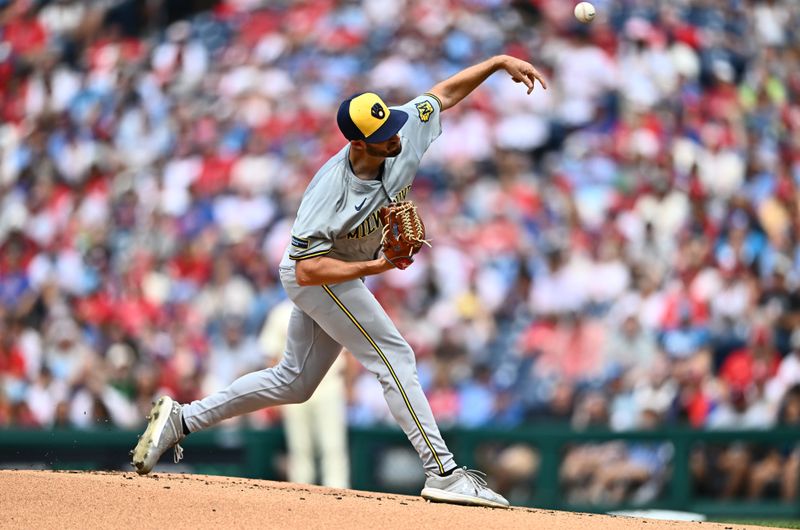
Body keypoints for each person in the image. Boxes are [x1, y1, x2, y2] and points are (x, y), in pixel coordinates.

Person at [131, 54, 547, 508]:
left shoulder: (402, 126)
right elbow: (307, 269)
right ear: (357, 146)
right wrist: (378, 267)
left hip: (339, 273)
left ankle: (182, 419)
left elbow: (442, 95)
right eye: (382, 137)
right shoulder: (329, 192)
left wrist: (498, 63)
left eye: (391, 127)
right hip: (316, 274)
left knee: (295, 382)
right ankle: (443, 472)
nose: (394, 139)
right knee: (393, 355)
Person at [260, 298, 350, 489]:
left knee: (332, 446)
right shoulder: (280, 313)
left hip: (329, 386)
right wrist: (275, 395)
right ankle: (300, 494)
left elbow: (349, 352)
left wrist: (350, 386)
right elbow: (271, 356)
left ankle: (339, 496)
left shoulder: (333, 306)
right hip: (293, 389)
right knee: (300, 448)